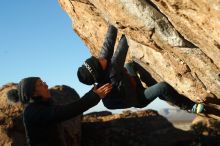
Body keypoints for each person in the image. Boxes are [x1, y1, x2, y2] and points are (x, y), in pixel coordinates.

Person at [77, 24, 204, 113]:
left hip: (131, 83)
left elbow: (108, 43)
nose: (100, 58)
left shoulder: (103, 64)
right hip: (139, 98)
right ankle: (188, 106)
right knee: (163, 87)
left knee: (131, 64)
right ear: (101, 71)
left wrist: (113, 19)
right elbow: (123, 45)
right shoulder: (112, 73)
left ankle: (158, 90)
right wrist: (128, 28)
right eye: (98, 62)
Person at [7, 77, 112, 146]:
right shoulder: (33, 112)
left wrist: (94, 91)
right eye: (40, 84)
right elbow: (68, 111)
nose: (46, 85)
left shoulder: (40, 107)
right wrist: (94, 96)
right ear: (33, 94)